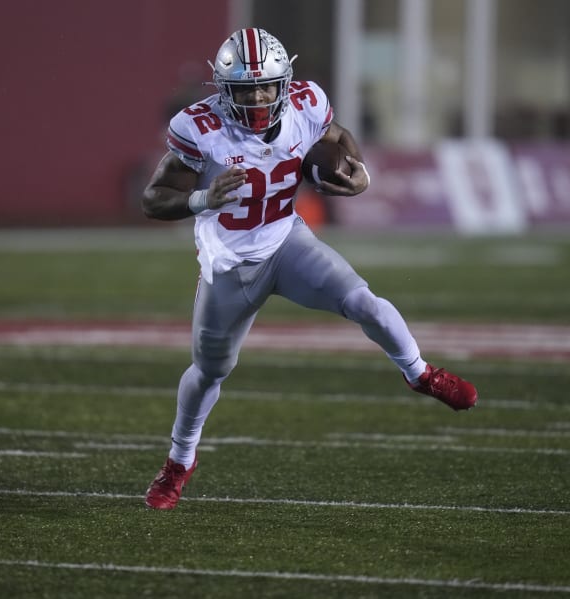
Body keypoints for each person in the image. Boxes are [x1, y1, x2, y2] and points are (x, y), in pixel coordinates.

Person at [140, 28, 477, 510]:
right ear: (223, 90)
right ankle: (179, 461)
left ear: (285, 83)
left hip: (287, 239)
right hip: (230, 261)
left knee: (366, 303)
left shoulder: (306, 103)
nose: (258, 97)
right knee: (211, 370)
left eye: (266, 86)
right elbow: (153, 200)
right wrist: (201, 198)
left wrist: (361, 171)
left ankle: (421, 374)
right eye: (244, 89)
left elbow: (338, 138)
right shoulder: (198, 128)